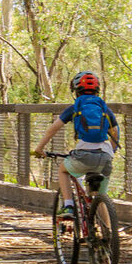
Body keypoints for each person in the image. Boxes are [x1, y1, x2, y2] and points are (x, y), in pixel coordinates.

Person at [33, 71, 120, 214]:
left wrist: (39, 148)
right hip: (105, 158)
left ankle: (68, 206)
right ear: (97, 90)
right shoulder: (104, 108)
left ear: (76, 90)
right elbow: (115, 132)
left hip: (84, 156)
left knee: (63, 170)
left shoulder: (75, 108)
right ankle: (109, 234)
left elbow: (52, 130)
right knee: (99, 198)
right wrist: (111, 152)